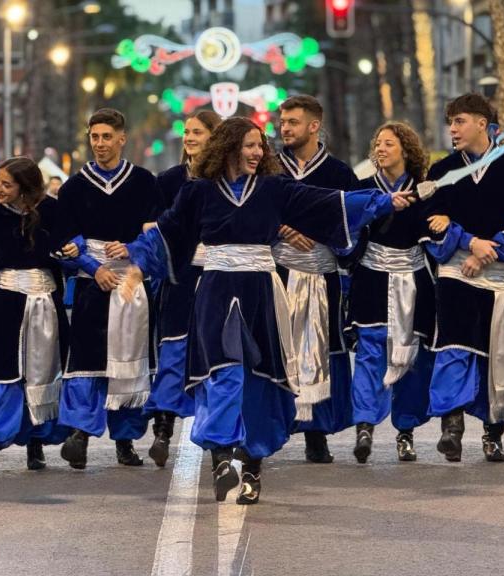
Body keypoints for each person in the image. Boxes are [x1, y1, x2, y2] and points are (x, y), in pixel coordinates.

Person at [122, 117, 413, 504]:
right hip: (216, 289)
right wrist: (138, 266)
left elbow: (326, 202)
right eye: (249, 145)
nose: (258, 152)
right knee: (222, 372)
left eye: (260, 145)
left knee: (261, 379)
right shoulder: (199, 192)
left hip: (261, 288)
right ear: (227, 147)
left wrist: (380, 200)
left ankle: (253, 464)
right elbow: (167, 230)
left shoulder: (274, 189)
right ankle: (222, 455)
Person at [419, 93, 504, 463]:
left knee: (497, 356)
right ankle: (451, 427)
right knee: (454, 347)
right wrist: (471, 243)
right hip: (456, 274)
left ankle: (492, 434)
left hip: (502, 279)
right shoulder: (440, 173)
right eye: (450, 122)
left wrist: (489, 252)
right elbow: (430, 225)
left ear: (482, 125)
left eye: (460, 121)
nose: (452, 129)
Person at [53, 108, 161, 470]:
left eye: (106, 137)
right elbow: (64, 238)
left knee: (129, 364)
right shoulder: (73, 187)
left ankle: (125, 441)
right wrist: (91, 266)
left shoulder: (145, 182)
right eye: (94, 136)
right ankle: (79, 435)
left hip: (130, 284)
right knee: (86, 361)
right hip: (91, 286)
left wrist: (132, 250)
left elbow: (157, 232)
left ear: (121, 138)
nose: (99, 144)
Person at [0, 157, 70, 471]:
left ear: (25, 187)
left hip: (43, 302)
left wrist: (70, 254)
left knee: (41, 372)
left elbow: (65, 250)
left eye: (7, 184)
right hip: (1, 302)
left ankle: (36, 442)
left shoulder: (50, 210)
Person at [273, 95, 360, 464]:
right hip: (277, 272)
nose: (285, 128)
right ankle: (273, 428)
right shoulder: (269, 169)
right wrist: (280, 229)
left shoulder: (339, 173)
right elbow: (249, 210)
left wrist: (331, 239)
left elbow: (355, 220)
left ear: (313, 125)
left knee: (322, 349)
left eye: (293, 122)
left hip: (322, 274)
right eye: (283, 122)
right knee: (276, 349)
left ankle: (317, 433)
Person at [346, 122, 436, 463]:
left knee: (410, 356)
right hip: (371, 277)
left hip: (413, 279)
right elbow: (350, 226)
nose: (380, 149)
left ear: (406, 150)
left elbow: (434, 236)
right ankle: (365, 425)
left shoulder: (425, 191)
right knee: (370, 351)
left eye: (388, 144)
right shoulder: (364, 187)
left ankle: (406, 431)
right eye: (378, 144)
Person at [145, 109, 221, 467]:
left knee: (216, 354)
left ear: (215, 138)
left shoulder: (227, 180)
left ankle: (220, 435)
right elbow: (156, 226)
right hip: (179, 277)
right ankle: (163, 429)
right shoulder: (167, 180)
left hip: (219, 277)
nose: (189, 137)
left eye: (197, 132)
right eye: (187, 131)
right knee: (174, 351)